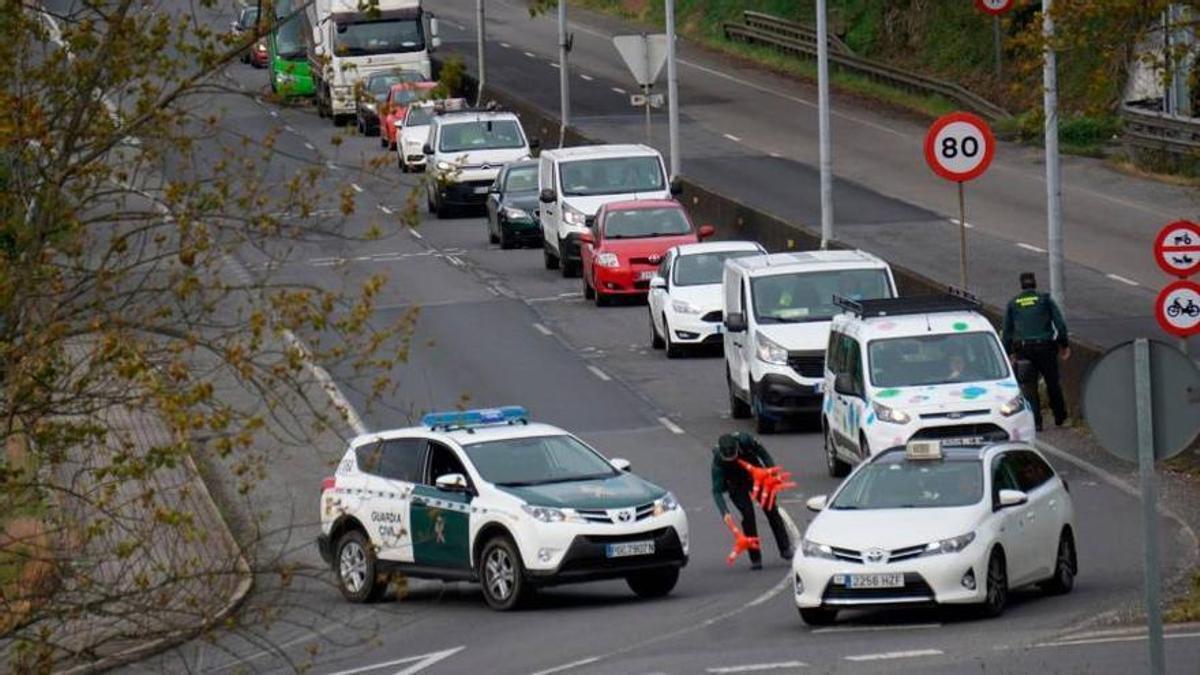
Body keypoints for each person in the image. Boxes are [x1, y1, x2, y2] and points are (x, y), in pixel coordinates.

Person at [711, 432, 793, 569]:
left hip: (756, 475)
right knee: (747, 515)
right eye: (728, 459)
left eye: (734, 456)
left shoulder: (745, 440)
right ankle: (755, 557)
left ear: (737, 447)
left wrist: (771, 472)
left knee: (771, 508)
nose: (731, 460)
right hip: (735, 483)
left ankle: (785, 548)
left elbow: (764, 454)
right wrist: (724, 512)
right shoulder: (718, 461)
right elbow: (716, 491)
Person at [1002, 271, 1070, 431]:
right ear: (1035, 283)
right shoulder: (1044, 300)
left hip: (1024, 350)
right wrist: (1064, 345)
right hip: (1046, 348)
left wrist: (1008, 352)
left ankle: (1036, 422)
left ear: (1021, 285)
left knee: (1029, 387)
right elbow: (1060, 324)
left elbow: (1007, 332)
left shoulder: (1013, 303)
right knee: (1052, 383)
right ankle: (1060, 418)